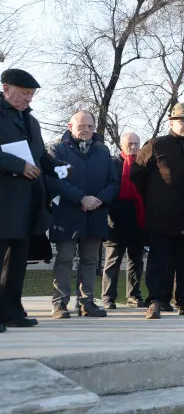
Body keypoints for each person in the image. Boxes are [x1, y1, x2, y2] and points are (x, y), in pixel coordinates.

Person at [131, 102, 184, 319]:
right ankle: (155, 300)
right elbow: (137, 174)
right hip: (162, 217)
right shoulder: (156, 145)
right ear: (171, 122)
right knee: (159, 261)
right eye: (182, 121)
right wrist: (156, 198)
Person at [0, 69, 61, 331]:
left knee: (16, 263)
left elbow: (39, 156)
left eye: (32, 94)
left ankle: (12, 311)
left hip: (27, 204)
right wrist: (17, 165)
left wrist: (57, 166)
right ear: (6, 88)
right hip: (4, 201)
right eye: (25, 93)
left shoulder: (31, 121)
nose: (29, 99)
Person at [47, 110, 119, 318]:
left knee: (90, 260)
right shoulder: (57, 149)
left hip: (95, 214)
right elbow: (53, 180)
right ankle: (60, 303)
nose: (86, 130)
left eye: (90, 126)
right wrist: (81, 198)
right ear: (70, 127)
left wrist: (99, 200)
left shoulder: (103, 151)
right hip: (67, 214)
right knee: (65, 259)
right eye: (82, 126)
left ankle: (86, 302)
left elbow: (114, 182)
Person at [102, 131, 146, 310]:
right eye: (130, 143)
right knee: (113, 260)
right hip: (116, 220)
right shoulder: (113, 163)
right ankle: (108, 297)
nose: (134, 147)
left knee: (136, 260)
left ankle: (134, 295)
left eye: (137, 144)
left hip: (138, 219)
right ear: (122, 145)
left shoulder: (143, 165)